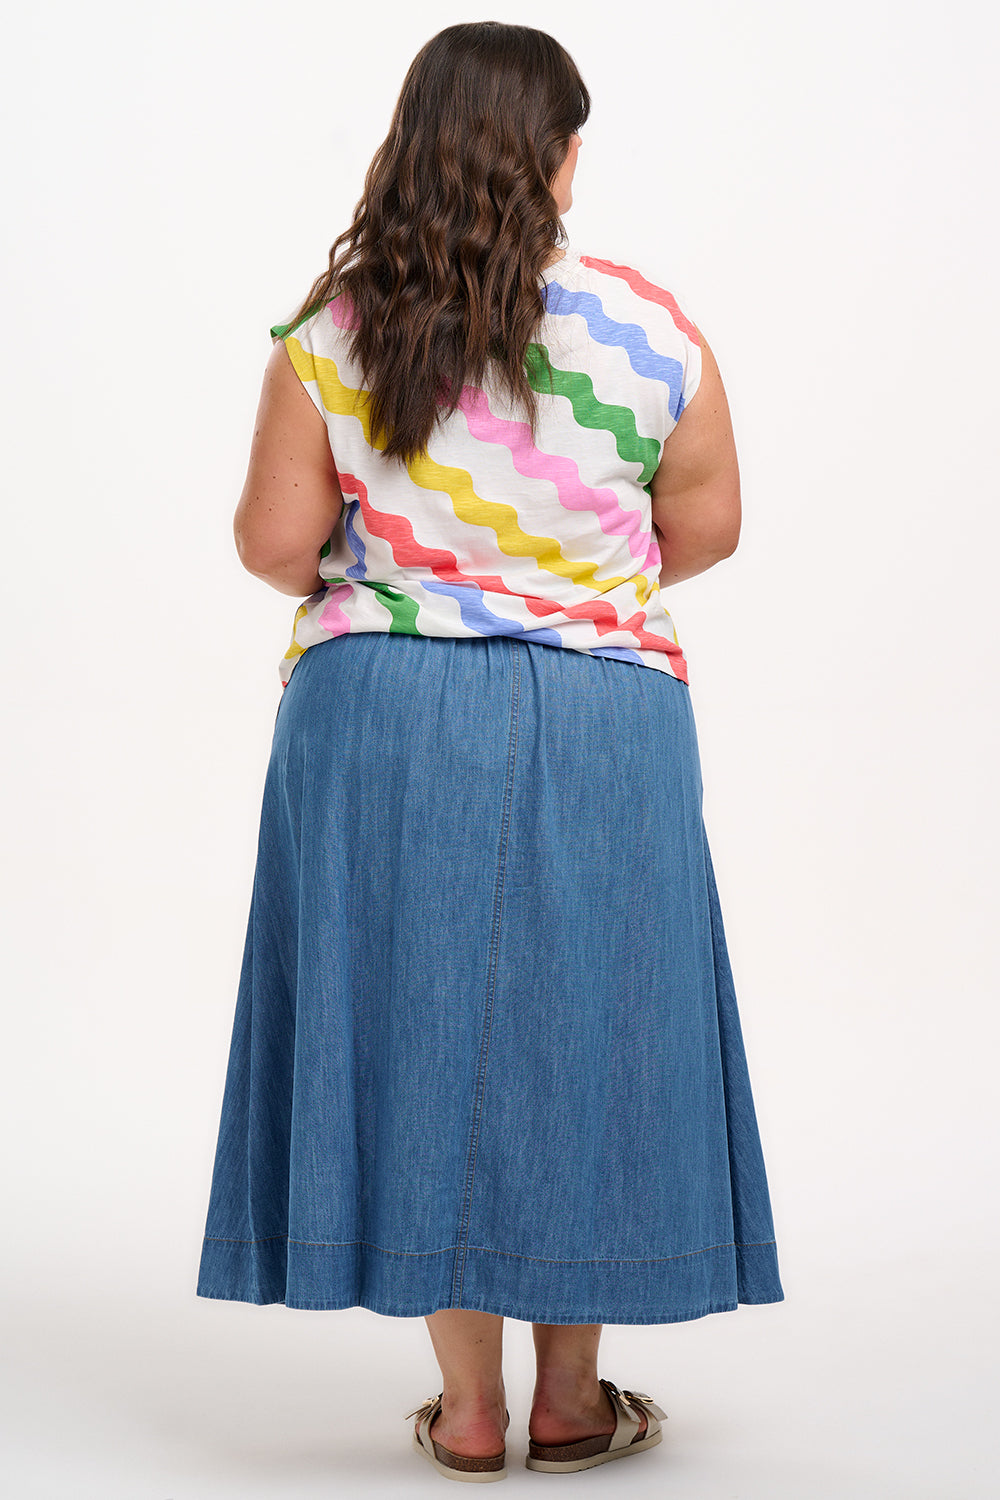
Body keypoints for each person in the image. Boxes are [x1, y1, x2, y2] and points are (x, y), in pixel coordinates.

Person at [195, 20, 784, 1484]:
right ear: (564, 158)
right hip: (602, 716)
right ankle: (572, 1402)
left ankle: (465, 1412)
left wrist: (410, 562)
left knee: (425, 1032)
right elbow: (703, 528)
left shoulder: (334, 332)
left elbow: (276, 542)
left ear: (414, 139)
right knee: (590, 1032)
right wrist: (562, 576)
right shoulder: (654, 333)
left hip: (386, 714)